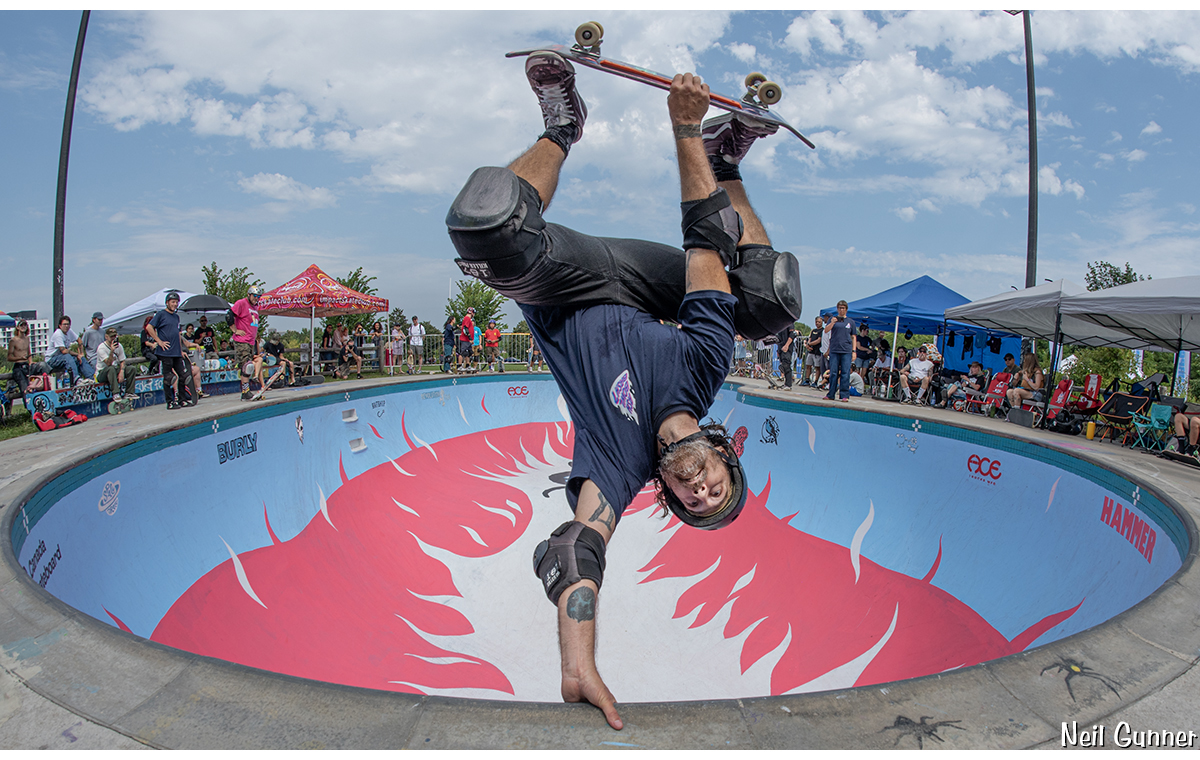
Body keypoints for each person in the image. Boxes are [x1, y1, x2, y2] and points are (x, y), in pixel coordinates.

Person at [444, 55, 799, 729]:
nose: (699, 491)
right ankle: (728, 161)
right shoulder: (706, 365)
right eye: (715, 490)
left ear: (666, 493)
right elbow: (703, 243)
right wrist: (688, 133)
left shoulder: (619, 464)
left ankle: (562, 127)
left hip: (565, 287)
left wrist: (578, 665)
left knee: (487, 228)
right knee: (769, 299)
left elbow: (580, 548)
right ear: (724, 458)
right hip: (638, 277)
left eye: (692, 502)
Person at [145, 291, 196, 409]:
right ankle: (170, 402)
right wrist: (159, 341)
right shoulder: (161, 314)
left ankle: (182, 400)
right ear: (167, 303)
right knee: (168, 377)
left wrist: (181, 350)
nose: (175, 304)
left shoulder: (176, 317)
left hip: (176, 351)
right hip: (166, 351)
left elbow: (177, 334)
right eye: (172, 302)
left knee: (183, 376)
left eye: (176, 302)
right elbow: (149, 327)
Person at [230, 285, 263, 400]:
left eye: (258, 296)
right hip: (241, 341)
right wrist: (235, 330)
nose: (256, 298)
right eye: (255, 296)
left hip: (250, 342)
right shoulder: (241, 303)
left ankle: (246, 390)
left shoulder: (256, 307)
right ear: (249, 294)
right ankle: (245, 391)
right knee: (247, 366)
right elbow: (229, 315)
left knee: (248, 366)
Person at [823, 301, 857, 402]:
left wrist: (854, 351)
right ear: (837, 309)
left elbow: (854, 337)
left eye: (843, 308)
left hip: (846, 350)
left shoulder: (850, 322)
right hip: (834, 349)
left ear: (846, 309)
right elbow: (826, 330)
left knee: (845, 373)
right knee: (833, 372)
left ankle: (844, 394)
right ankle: (831, 394)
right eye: (839, 308)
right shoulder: (832, 320)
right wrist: (833, 322)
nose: (841, 310)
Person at [46, 315, 93, 386]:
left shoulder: (69, 331)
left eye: (68, 324)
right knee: (67, 356)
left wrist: (81, 354)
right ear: (60, 326)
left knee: (80, 359)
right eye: (64, 324)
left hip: (62, 358)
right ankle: (76, 379)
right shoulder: (58, 334)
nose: (66, 326)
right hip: (51, 360)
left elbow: (79, 340)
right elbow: (64, 351)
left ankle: (92, 378)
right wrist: (77, 354)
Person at [96, 327, 138, 400]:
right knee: (111, 368)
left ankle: (129, 392)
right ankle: (115, 393)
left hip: (114, 371)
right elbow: (108, 363)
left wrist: (121, 372)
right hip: (102, 372)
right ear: (106, 337)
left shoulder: (119, 346)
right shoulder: (101, 348)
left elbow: (122, 360)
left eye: (114, 336)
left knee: (131, 369)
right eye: (111, 336)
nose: (113, 338)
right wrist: (112, 351)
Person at [5, 319, 34, 395]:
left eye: (25, 325)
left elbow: (29, 352)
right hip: (18, 367)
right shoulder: (13, 340)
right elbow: (9, 358)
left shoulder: (27, 339)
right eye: (21, 325)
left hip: (26, 365)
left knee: (31, 387)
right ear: (17, 327)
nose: (23, 327)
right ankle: (27, 405)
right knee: (24, 389)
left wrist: (30, 362)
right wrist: (20, 358)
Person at [802, 316, 823, 387]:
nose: (817, 323)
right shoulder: (813, 330)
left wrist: (810, 344)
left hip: (817, 351)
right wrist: (808, 345)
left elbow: (818, 340)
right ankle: (807, 379)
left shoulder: (822, 331)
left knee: (817, 367)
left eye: (819, 322)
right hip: (811, 351)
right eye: (816, 322)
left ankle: (816, 381)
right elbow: (810, 339)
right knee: (808, 365)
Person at [776, 322, 798, 390]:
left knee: (786, 365)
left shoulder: (789, 323)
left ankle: (788, 384)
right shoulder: (779, 325)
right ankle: (786, 383)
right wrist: (778, 350)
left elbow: (792, 334)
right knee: (783, 365)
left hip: (787, 348)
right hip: (781, 347)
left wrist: (787, 345)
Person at [458, 307, 475, 372]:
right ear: (472, 313)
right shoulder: (467, 318)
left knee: (468, 353)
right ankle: (460, 366)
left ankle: (468, 366)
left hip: (467, 340)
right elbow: (465, 329)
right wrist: (470, 338)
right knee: (462, 352)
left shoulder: (467, 319)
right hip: (465, 339)